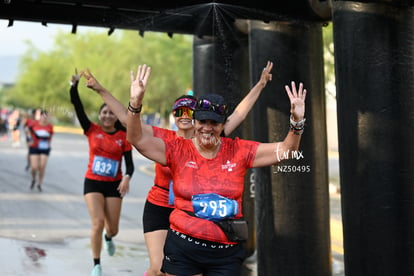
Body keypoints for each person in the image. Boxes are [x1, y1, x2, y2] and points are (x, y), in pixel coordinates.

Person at [81, 61, 273, 276]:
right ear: (173, 115)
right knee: (157, 268)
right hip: (161, 205)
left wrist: (260, 85)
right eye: (178, 110)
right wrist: (101, 90)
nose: (183, 115)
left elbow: (239, 113)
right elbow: (127, 120)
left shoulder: (210, 137)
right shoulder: (164, 139)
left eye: (189, 111)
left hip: (193, 213)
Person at [126, 64, 307, 275]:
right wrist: (135, 102)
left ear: (223, 126)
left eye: (215, 123)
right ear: (195, 122)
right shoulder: (177, 149)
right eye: (202, 121)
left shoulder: (238, 150)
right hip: (183, 248)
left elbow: (287, 150)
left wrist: (296, 121)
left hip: (225, 253)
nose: (207, 128)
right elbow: (136, 138)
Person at [69, 70, 135, 276]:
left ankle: (109, 238)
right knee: (97, 222)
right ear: (100, 115)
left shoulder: (123, 136)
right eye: (104, 112)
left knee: (112, 228)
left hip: (113, 185)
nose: (107, 115)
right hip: (93, 183)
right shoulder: (91, 129)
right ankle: (96, 264)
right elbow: (78, 108)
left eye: (111, 112)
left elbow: (130, 165)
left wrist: (126, 177)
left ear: (116, 116)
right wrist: (74, 86)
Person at [27, 109, 54, 192]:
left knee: (42, 166)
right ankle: (33, 179)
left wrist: (49, 144)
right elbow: (28, 131)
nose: (45, 118)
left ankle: (39, 183)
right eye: (44, 116)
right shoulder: (34, 124)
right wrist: (30, 140)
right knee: (34, 167)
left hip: (44, 148)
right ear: (41, 116)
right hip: (34, 147)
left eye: (47, 116)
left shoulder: (50, 126)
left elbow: (51, 136)